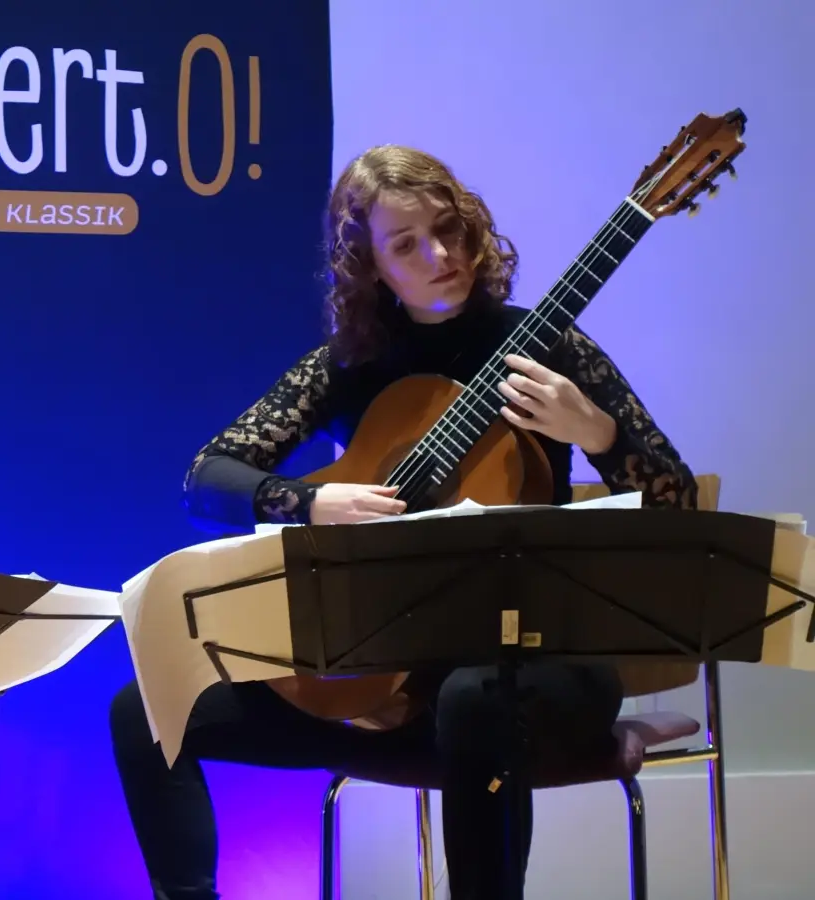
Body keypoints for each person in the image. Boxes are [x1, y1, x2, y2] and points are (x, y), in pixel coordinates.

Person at [109, 144, 697, 899]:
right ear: (369, 267)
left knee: (472, 699)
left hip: (529, 668)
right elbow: (208, 477)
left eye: (449, 229)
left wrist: (596, 433)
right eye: (406, 244)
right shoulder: (351, 364)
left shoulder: (551, 346)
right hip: (385, 679)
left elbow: (677, 504)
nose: (441, 254)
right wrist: (313, 502)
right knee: (148, 708)